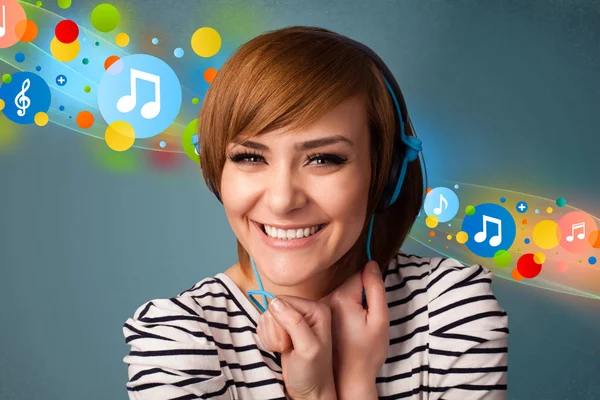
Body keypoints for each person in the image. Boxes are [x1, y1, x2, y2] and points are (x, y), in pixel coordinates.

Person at [122, 25, 509, 399]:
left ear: (384, 173)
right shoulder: (176, 341)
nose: (282, 200)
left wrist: (349, 384)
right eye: (251, 157)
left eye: (323, 159)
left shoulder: (449, 308)